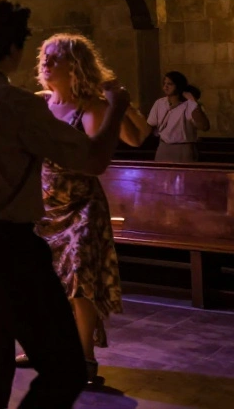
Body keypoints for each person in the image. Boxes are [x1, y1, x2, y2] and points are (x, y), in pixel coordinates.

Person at [0, 0, 130, 409]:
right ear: (14, 49)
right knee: (65, 368)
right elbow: (93, 160)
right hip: (6, 244)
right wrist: (118, 111)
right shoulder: (17, 103)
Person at [29, 34, 152, 383]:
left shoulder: (91, 107)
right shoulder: (38, 103)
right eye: (44, 57)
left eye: (55, 58)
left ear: (76, 66)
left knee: (79, 279)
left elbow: (90, 160)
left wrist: (119, 103)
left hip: (80, 205)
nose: (46, 63)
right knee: (41, 280)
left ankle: (83, 359)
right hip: (42, 205)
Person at [146, 71, 211, 161]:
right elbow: (150, 124)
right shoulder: (159, 103)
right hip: (164, 146)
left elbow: (204, 126)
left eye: (170, 84)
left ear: (178, 86)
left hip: (183, 147)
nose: (165, 87)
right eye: (164, 83)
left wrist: (193, 101)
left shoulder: (189, 104)